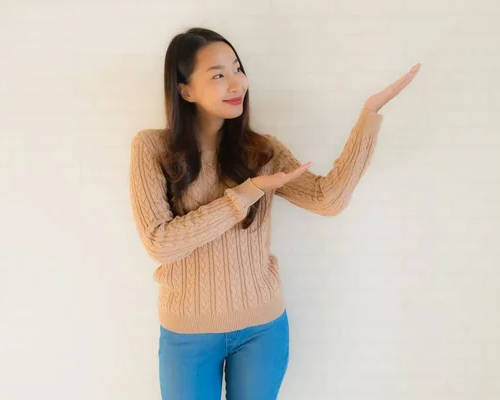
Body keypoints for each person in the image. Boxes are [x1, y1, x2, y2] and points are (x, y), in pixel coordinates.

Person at [129, 26, 420, 400]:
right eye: (218, 75)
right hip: (188, 332)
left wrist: (369, 115)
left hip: (262, 329)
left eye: (237, 69)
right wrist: (246, 194)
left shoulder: (261, 151)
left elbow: (327, 199)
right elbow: (160, 243)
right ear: (185, 90)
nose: (236, 84)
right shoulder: (152, 148)